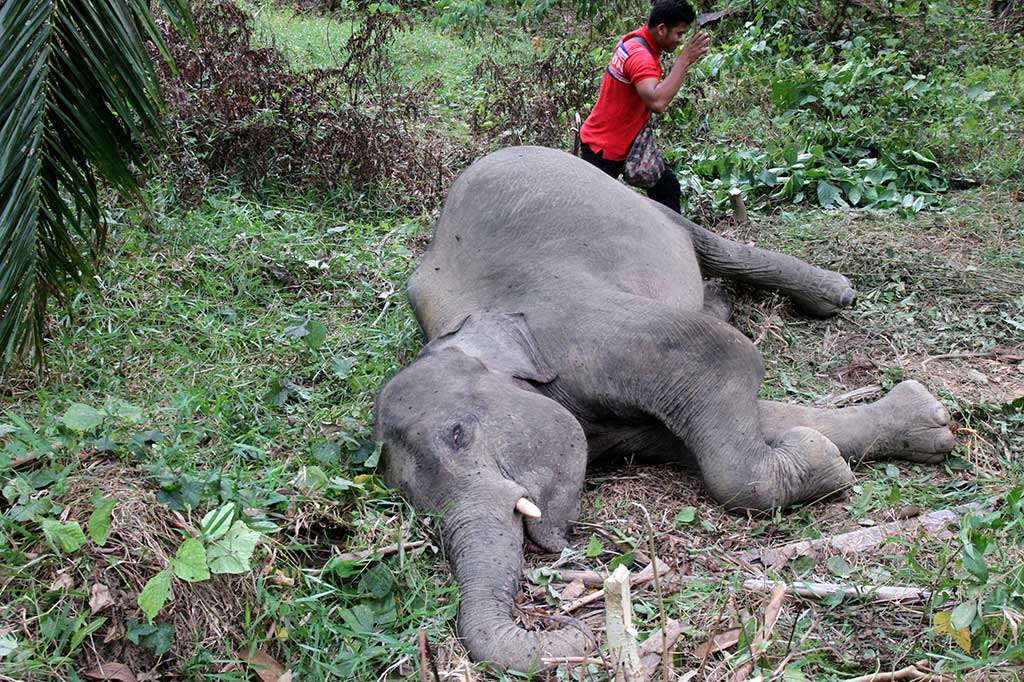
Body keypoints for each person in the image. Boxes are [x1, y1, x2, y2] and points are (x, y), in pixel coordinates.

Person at [579, 0, 711, 213]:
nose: (680, 41)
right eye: (679, 34)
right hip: (604, 149)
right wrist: (683, 60)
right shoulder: (641, 56)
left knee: (667, 188)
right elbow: (657, 102)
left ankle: (671, 241)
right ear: (661, 29)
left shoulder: (635, 39)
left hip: (627, 142)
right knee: (593, 212)